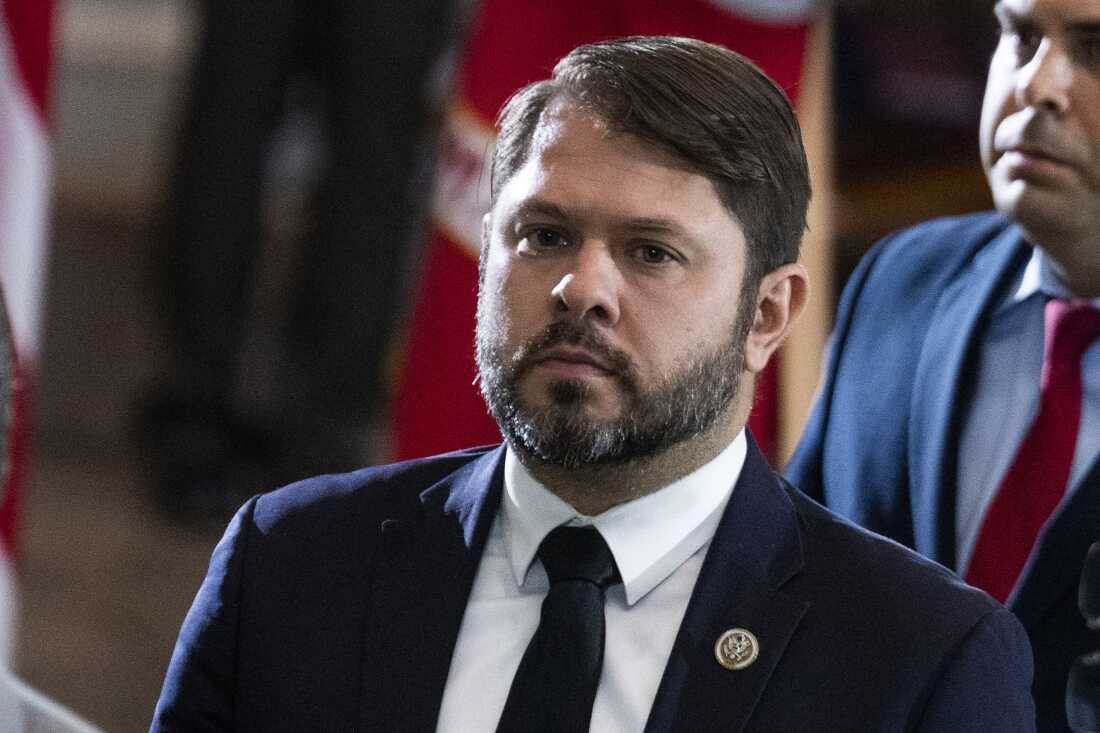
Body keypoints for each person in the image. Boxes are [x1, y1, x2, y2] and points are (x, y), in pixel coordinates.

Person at [151, 36, 1036, 731]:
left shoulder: (922, 662)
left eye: (651, 253)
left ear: (766, 315)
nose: (581, 288)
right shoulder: (291, 565)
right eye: (543, 236)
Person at [786, 0, 1100, 729]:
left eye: (1094, 50)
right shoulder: (902, 283)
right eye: (1021, 37)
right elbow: (785, 590)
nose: (1037, 85)